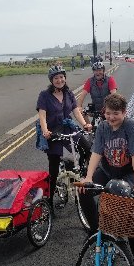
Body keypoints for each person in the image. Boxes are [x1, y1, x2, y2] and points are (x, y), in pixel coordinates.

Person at [78, 93, 134, 266]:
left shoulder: (130, 126)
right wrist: (88, 177)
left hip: (128, 173)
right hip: (108, 170)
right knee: (84, 191)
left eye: (116, 113)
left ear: (124, 113)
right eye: (108, 113)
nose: (111, 117)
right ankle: (96, 230)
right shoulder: (102, 127)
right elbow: (96, 154)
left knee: (130, 213)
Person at [36, 65, 92, 208]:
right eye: (56, 78)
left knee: (87, 148)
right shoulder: (44, 95)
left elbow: (76, 112)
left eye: (62, 77)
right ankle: (49, 201)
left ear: (65, 78)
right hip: (53, 131)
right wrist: (45, 130)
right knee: (53, 168)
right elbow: (42, 115)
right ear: (52, 80)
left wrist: (85, 124)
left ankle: (83, 175)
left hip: (67, 127)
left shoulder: (69, 94)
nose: (60, 80)